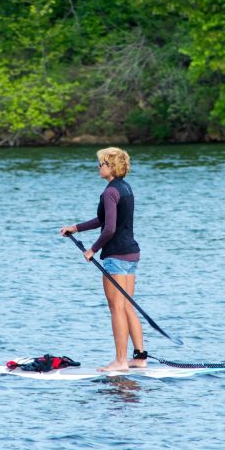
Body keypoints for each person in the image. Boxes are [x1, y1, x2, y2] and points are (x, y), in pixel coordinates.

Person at [60, 147, 146, 371]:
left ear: (111, 166)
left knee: (116, 307)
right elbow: (102, 220)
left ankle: (120, 361)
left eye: (102, 164)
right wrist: (75, 228)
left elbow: (109, 228)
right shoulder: (124, 188)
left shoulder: (110, 192)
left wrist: (92, 250)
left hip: (116, 255)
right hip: (131, 252)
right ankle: (139, 357)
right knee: (127, 306)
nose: (99, 167)